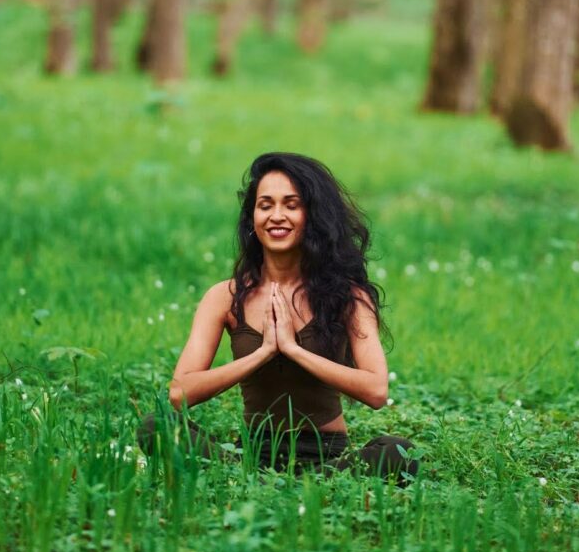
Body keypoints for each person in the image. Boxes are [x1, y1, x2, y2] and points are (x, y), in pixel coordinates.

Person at [138, 153, 418, 482]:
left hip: (326, 456)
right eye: (265, 205)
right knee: (155, 425)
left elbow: (376, 390)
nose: (277, 216)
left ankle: (306, 483)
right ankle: (250, 477)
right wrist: (262, 353)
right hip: (250, 454)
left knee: (400, 453)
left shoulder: (347, 297)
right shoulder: (224, 297)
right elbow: (179, 393)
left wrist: (294, 349)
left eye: (291, 204)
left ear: (312, 215)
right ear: (252, 218)